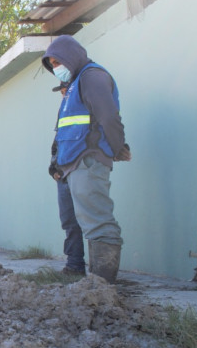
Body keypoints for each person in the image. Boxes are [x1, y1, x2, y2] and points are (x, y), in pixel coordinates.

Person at [42, 35, 131, 283]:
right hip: (70, 164)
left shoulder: (92, 77)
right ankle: (83, 273)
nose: (56, 67)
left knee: (97, 222)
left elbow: (109, 117)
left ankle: (102, 285)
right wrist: (56, 164)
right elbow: (65, 131)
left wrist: (116, 148)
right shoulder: (72, 87)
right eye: (51, 64)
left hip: (88, 159)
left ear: (72, 56)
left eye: (58, 61)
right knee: (75, 221)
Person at [48, 82, 85, 276]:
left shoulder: (87, 107)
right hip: (63, 175)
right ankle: (74, 266)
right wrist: (53, 169)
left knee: (92, 221)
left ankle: (100, 274)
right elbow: (58, 143)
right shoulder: (63, 113)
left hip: (82, 171)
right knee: (69, 221)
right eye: (62, 92)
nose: (63, 95)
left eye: (66, 91)